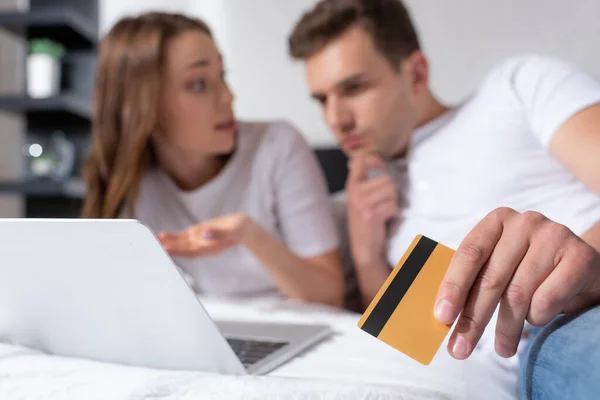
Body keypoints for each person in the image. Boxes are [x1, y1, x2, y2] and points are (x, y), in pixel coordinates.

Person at [287, 0, 600, 397]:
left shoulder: (514, 88)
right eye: (321, 99)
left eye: (354, 88)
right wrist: (367, 253)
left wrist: (583, 262)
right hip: (507, 374)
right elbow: (400, 345)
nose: (336, 118)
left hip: (573, 318)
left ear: (416, 72)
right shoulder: (368, 202)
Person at [80, 12, 344, 307]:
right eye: (199, 84)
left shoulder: (277, 145)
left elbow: (330, 295)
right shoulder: (129, 181)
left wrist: (250, 235)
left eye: (222, 76)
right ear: (142, 106)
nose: (228, 96)